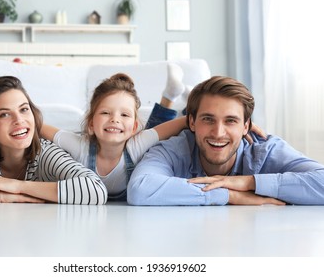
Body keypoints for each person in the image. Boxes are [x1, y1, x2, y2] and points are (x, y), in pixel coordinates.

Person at [40, 69, 265, 201]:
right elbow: (41, 126)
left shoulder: (137, 143)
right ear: (90, 124)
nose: (114, 120)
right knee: (157, 128)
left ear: (134, 125)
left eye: (124, 115)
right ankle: (173, 97)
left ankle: (176, 97)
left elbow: (181, 124)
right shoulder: (79, 146)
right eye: (105, 113)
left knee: (159, 129)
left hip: (146, 134)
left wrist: (234, 124)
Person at [127, 76, 324, 206]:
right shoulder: (175, 148)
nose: (218, 132)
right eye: (208, 119)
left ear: (246, 126)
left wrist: (248, 183)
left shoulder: (265, 149)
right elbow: (139, 189)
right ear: (192, 122)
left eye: (231, 121)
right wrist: (229, 195)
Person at [0, 76, 107, 204]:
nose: (19, 120)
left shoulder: (45, 153)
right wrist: (1, 196)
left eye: (24, 110)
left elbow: (96, 190)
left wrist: (18, 186)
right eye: (5, 114)